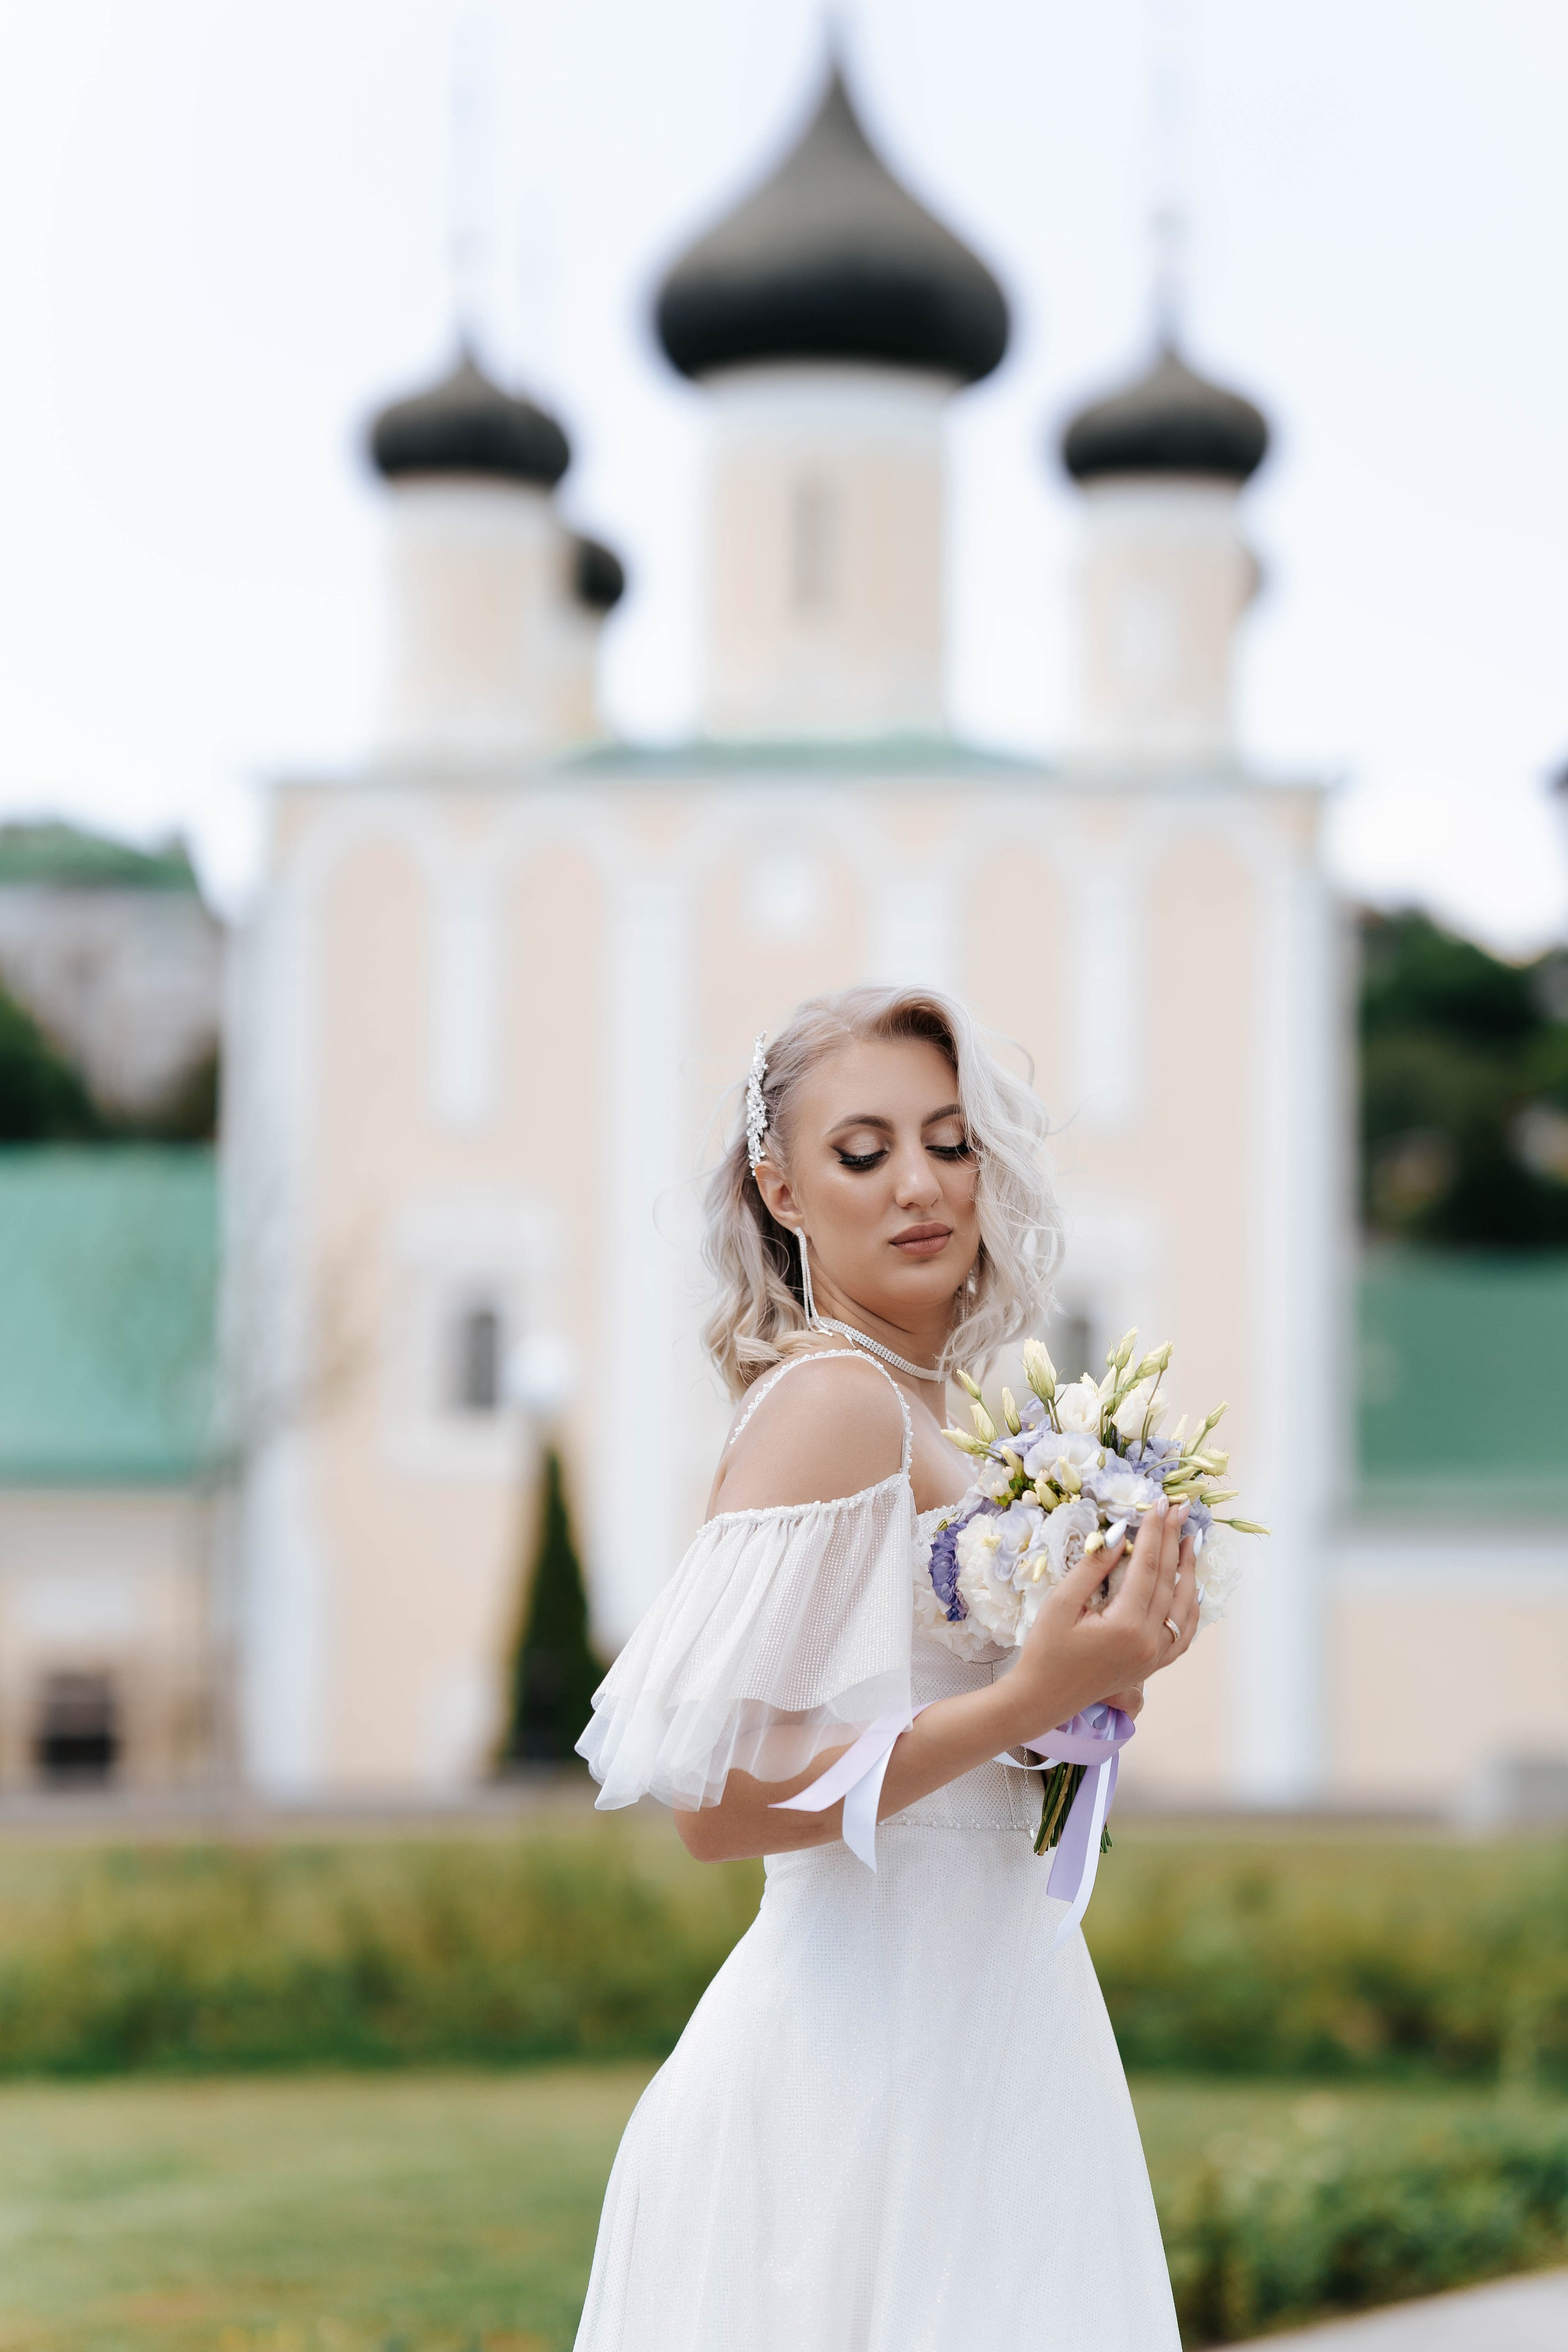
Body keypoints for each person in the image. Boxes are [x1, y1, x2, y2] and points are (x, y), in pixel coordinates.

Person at [575, 985, 1197, 2350]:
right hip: (850, 2065)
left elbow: (948, 1733)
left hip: (992, 2019)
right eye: (863, 1153)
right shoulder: (831, 1400)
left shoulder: (948, 1418)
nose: (920, 1186)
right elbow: (720, 1807)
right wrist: (1025, 1699)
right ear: (780, 1188)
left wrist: (1091, 1689)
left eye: (953, 1142)